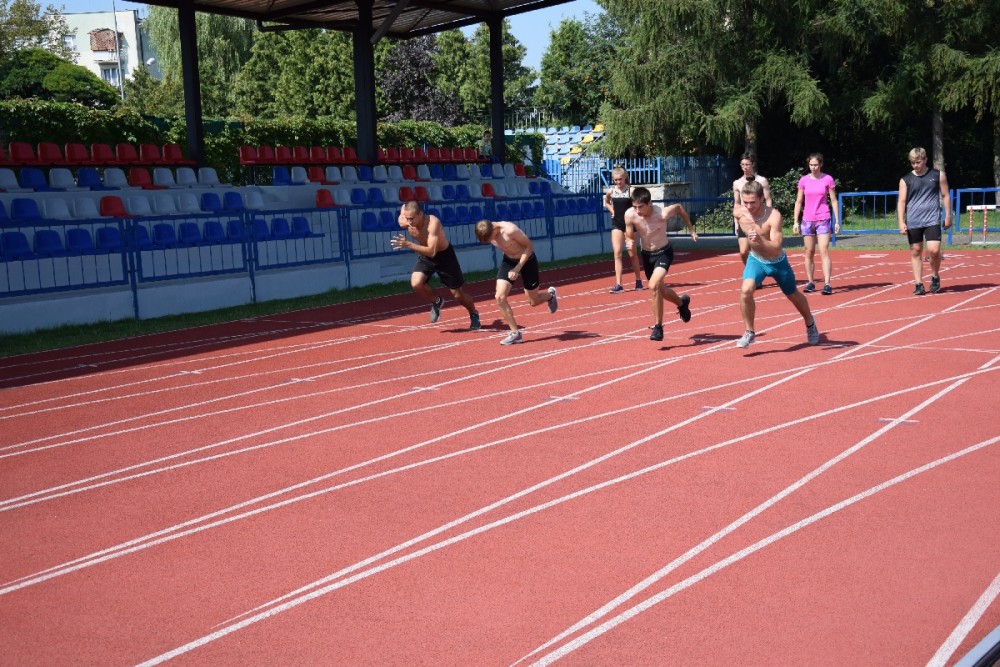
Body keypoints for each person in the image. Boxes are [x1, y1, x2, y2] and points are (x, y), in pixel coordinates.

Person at [733, 179, 820, 349]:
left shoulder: (774, 216)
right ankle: (749, 332)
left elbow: (776, 247)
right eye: (746, 202)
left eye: (753, 202)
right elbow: (741, 228)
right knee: (745, 291)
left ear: (761, 198)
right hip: (756, 259)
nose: (749, 206)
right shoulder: (739, 213)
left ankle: (810, 322)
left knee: (792, 294)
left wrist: (759, 239)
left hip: (777, 261)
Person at [391, 201, 481, 329]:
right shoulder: (404, 220)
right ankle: (437, 300)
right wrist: (404, 215)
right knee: (416, 283)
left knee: (458, 295)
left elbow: (432, 252)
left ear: (420, 214)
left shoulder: (433, 223)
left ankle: (473, 313)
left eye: (411, 218)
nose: (409, 222)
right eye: (407, 218)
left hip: (443, 256)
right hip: (425, 255)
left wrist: (408, 244)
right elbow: (402, 217)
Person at [623, 187, 696, 342]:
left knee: (653, 285)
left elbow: (679, 208)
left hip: (663, 253)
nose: (638, 210)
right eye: (635, 206)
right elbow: (629, 234)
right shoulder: (630, 215)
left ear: (649, 203)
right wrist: (629, 241)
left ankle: (658, 327)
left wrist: (691, 228)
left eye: (641, 207)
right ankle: (682, 303)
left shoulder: (662, 213)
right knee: (660, 290)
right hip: (647, 255)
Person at [474, 218, 558, 345]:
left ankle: (550, 296)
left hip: (527, 261)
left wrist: (517, 268)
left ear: (493, 230)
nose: (491, 241)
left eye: (490, 238)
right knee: (499, 297)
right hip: (508, 261)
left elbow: (529, 247)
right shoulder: (488, 233)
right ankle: (515, 334)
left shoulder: (510, 230)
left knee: (533, 301)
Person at [897, 147, 952, 295]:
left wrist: (948, 216)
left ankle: (935, 276)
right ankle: (918, 284)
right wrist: (901, 221)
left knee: (934, 250)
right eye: (913, 163)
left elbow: (945, 195)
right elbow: (901, 201)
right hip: (913, 220)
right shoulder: (905, 180)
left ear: (925, 160)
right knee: (916, 251)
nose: (915, 165)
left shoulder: (937, 175)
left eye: (918, 162)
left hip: (932, 219)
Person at [792, 153, 840, 295]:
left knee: (823, 250)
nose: (813, 167)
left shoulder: (827, 179)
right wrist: (795, 221)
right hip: (807, 219)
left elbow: (834, 200)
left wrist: (837, 220)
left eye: (816, 165)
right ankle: (810, 282)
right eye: (811, 165)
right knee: (809, 252)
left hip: (823, 218)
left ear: (821, 165)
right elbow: (799, 201)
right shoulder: (804, 180)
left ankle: (827, 283)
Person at [603, 166, 644, 293]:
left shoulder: (631, 191)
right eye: (615, 180)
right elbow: (607, 202)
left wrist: (636, 215)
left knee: (632, 254)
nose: (618, 182)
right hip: (617, 224)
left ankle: (638, 280)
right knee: (617, 253)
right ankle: (619, 284)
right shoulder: (611, 191)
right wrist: (613, 211)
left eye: (620, 179)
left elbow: (639, 205)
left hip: (630, 225)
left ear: (625, 177)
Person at [732, 153, 773, 265]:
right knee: (743, 251)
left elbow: (768, 200)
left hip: (759, 219)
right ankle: (749, 269)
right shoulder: (737, 183)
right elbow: (737, 203)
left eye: (747, 164)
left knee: (759, 249)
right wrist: (736, 222)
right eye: (742, 164)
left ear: (753, 164)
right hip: (744, 219)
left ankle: (760, 271)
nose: (745, 167)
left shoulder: (762, 181)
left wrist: (768, 218)